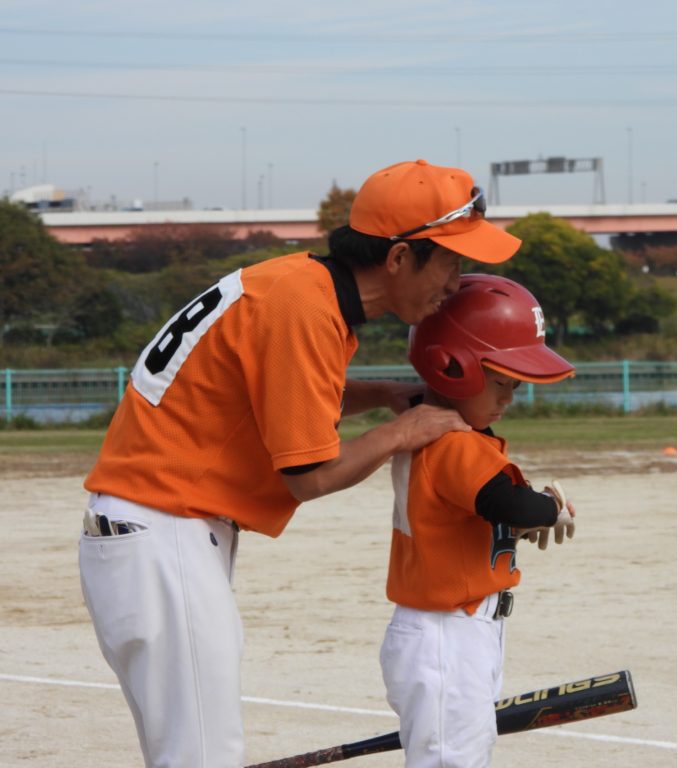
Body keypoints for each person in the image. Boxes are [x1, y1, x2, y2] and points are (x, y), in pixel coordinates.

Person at [77, 159, 521, 768]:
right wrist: (401, 432)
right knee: (202, 755)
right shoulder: (305, 310)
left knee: (191, 749)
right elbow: (310, 476)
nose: (457, 281)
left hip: (155, 530)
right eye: (451, 261)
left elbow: (283, 396)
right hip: (163, 531)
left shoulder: (300, 285)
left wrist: (380, 395)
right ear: (399, 257)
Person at [380, 273, 577, 768]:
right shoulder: (453, 442)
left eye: (515, 385)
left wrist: (523, 519)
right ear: (452, 368)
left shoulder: (447, 437)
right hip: (448, 633)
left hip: (461, 629)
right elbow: (511, 505)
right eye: (501, 382)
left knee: (463, 754)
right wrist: (549, 508)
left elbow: (480, 513)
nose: (510, 397)